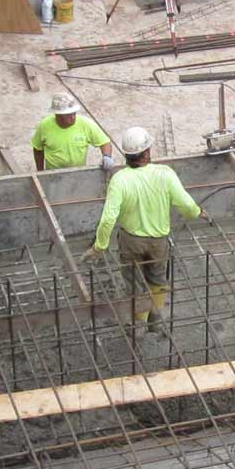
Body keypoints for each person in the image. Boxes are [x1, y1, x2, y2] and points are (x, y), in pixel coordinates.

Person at [82, 127, 202, 330]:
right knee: (157, 278)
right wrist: (198, 213)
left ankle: (139, 323)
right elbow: (188, 206)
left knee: (135, 282)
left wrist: (99, 246)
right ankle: (155, 320)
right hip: (158, 241)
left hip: (131, 241)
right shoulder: (165, 174)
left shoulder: (120, 179)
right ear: (147, 152)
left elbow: (108, 218)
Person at [31, 93, 117, 172]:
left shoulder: (85, 124)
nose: (72, 117)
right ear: (57, 115)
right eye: (67, 115)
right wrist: (40, 172)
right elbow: (37, 149)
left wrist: (107, 156)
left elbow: (105, 142)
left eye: (74, 113)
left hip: (78, 172)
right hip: (54, 173)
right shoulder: (45, 126)